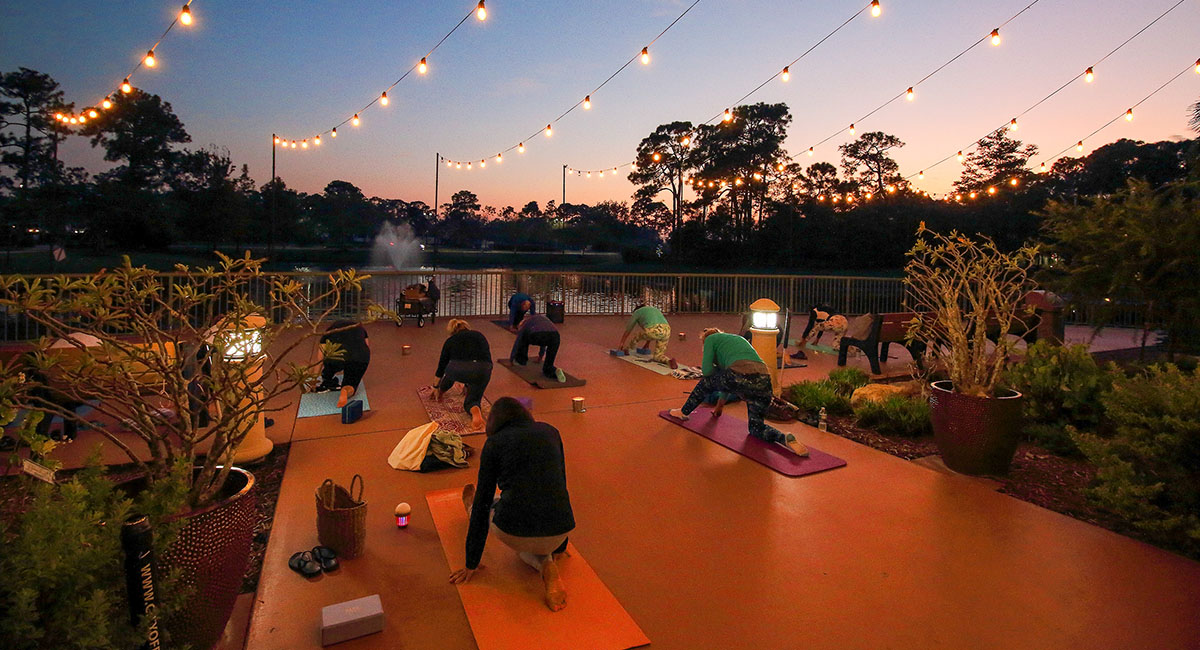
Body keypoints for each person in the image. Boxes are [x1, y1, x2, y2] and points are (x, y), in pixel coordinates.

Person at [449, 397, 575, 612]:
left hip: (516, 531)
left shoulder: (494, 443)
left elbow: (484, 501)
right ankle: (547, 563)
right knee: (530, 521)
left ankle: (466, 507)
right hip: (561, 529)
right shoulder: (550, 431)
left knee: (488, 508)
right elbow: (559, 484)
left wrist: (471, 562)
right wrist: (560, 546)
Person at [669, 328, 808, 456]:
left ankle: (683, 412)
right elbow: (726, 382)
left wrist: (715, 370)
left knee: (706, 382)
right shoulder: (737, 339)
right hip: (764, 381)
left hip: (739, 376)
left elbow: (706, 371)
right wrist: (719, 408)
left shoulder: (711, 339)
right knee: (756, 429)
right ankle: (784, 438)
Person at [432, 319, 493, 431]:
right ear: (467, 327)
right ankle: (475, 412)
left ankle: (441, 391)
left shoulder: (450, 341)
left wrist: (435, 386)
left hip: (458, 370)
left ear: (452, 331)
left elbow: (442, 366)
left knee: (450, 372)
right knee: (472, 399)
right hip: (483, 369)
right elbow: (481, 357)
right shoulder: (479, 335)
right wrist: (468, 384)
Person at [315, 319, 370, 408]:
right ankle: (346, 390)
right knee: (351, 384)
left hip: (338, 356)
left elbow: (319, 360)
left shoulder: (328, 332)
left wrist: (313, 381)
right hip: (360, 356)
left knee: (329, 362)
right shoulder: (361, 328)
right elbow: (366, 346)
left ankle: (327, 378)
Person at [511, 313, 565, 383]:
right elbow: (544, 340)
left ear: (521, 323)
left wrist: (511, 358)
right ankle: (554, 370)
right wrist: (540, 356)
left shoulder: (525, 324)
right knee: (547, 367)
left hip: (538, 334)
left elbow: (518, 341)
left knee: (523, 337)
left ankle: (521, 360)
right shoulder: (539, 319)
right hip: (555, 336)